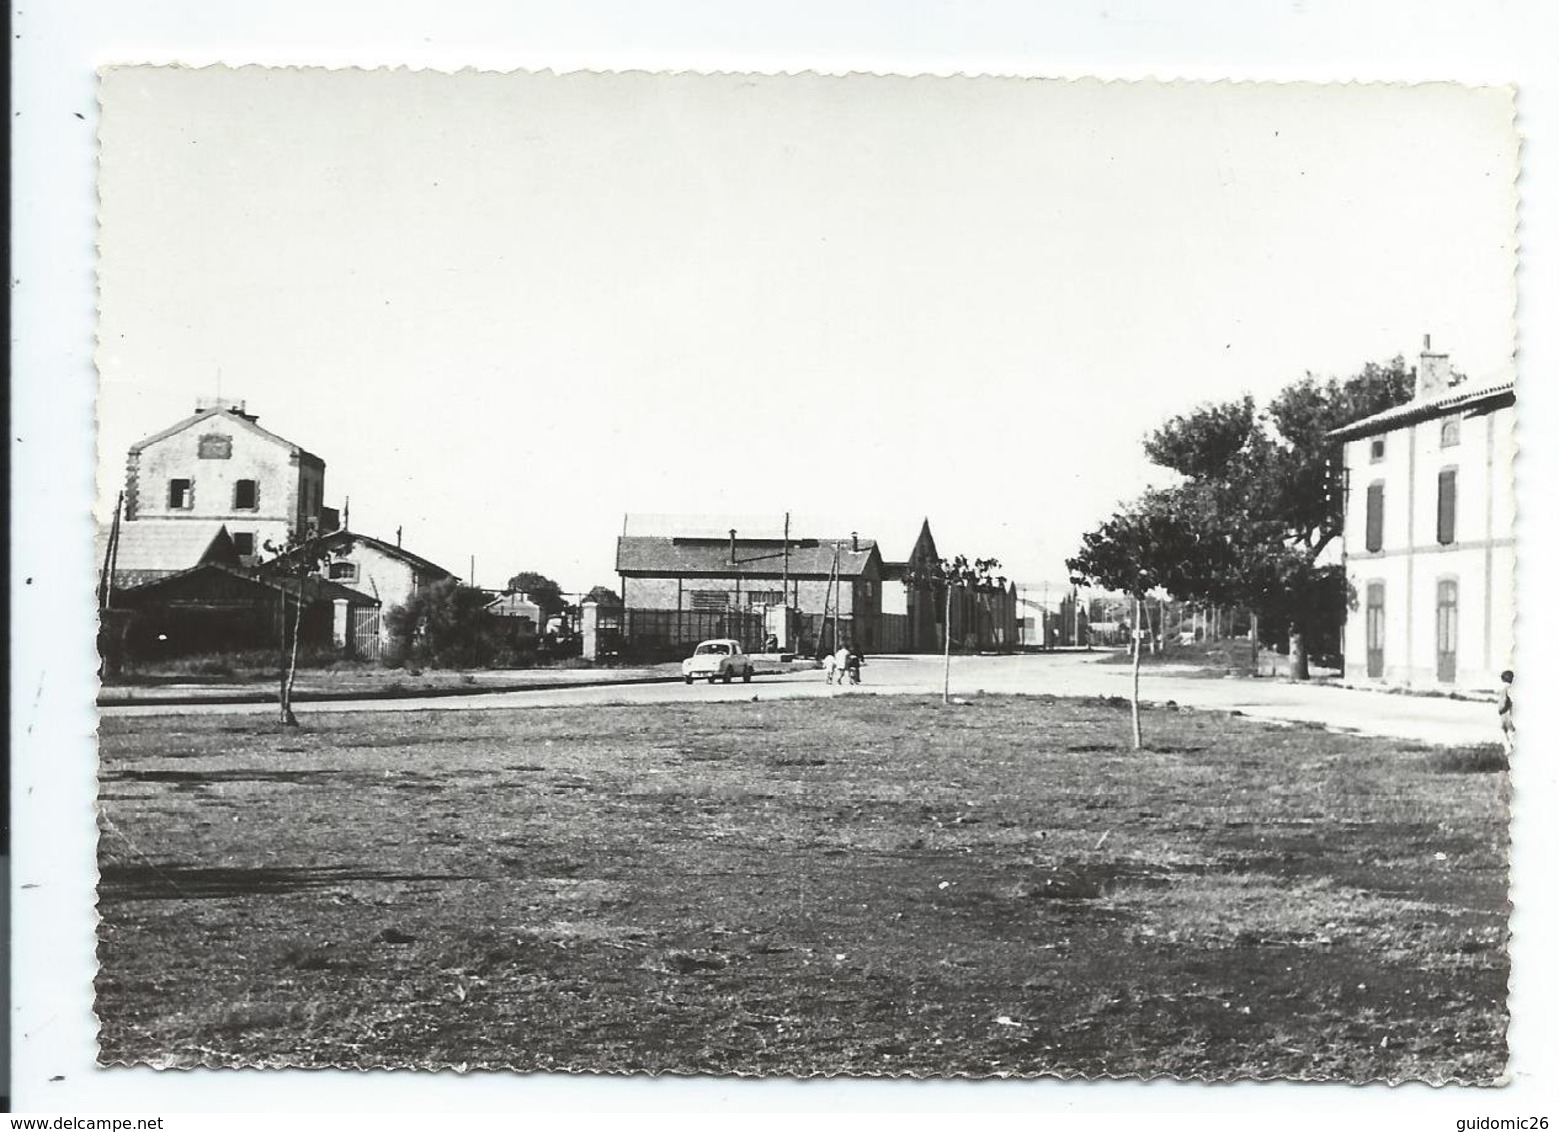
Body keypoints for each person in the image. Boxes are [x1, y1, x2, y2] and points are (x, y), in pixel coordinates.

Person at [1498, 669, 1515, 756]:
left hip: (1506, 714)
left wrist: (1500, 710)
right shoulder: (1514, 688)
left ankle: (1508, 749)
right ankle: (1513, 746)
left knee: (1502, 730)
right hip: (1513, 713)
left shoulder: (1504, 689)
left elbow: (1503, 701)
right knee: (1512, 731)